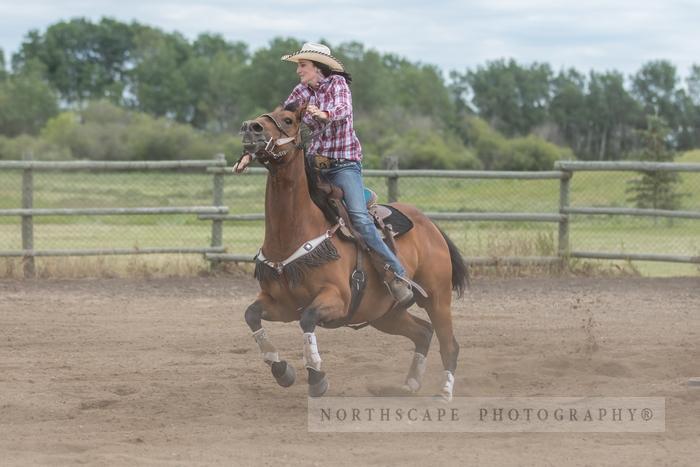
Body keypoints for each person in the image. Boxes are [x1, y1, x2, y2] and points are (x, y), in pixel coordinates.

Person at [278, 42, 413, 306]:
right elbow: (285, 116)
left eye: (302, 65)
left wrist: (323, 112)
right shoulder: (301, 91)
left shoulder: (338, 84)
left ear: (318, 67)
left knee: (361, 221)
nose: (298, 71)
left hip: (344, 165)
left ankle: (398, 274)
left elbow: (342, 111)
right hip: (315, 166)